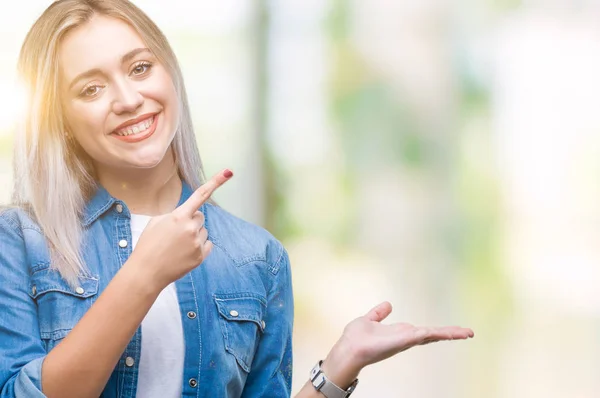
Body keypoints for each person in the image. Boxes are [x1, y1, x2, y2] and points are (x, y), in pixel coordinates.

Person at [0, 1, 474, 397]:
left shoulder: (256, 257)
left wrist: (338, 367)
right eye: (92, 88)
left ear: (170, 74)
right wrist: (145, 274)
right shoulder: (18, 241)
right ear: (58, 118)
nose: (127, 98)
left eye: (140, 67)